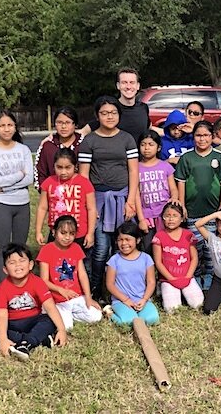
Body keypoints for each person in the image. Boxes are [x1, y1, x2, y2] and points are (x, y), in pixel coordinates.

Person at [78, 95, 139, 299]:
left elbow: (133, 172)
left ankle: (119, 290)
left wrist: (131, 201)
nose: (109, 116)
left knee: (122, 245)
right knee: (101, 248)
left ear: (119, 115)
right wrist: (90, 206)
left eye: (113, 113)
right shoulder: (89, 140)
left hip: (122, 198)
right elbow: (84, 175)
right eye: (104, 113)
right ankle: (95, 290)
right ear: (97, 116)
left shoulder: (127, 139)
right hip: (98, 199)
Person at [174, 120, 221, 290]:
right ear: (193, 137)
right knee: (195, 246)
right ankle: (195, 276)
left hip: (213, 213)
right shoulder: (186, 158)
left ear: (212, 136)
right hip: (193, 212)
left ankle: (209, 276)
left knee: (211, 247)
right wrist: (182, 206)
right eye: (198, 135)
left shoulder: (219, 157)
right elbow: (181, 183)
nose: (202, 139)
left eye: (206, 135)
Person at [0, 243, 67, 361]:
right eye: (12, 262)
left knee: (49, 321)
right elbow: (1, 315)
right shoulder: (2, 289)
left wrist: (62, 330)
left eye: (21, 260)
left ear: (30, 265)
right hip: (12, 323)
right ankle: (37, 339)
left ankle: (26, 343)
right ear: (5, 269)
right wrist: (3, 340)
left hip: (33, 320)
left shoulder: (38, 282)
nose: (17, 265)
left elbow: (50, 307)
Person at [0, 109, 34, 282]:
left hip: (22, 203)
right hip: (1, 204)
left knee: (20, 246)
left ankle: (22, 282)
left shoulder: (24, 149)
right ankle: (4, 284)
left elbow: (29, 178)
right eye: (2, 125)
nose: (6, 129)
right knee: (3, 247)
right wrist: (18, 175)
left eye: (10, 125)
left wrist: (5, 186)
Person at [36, 216, 102, 331]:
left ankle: (69, 315)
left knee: (96, 316)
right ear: (53, 232)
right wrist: (62, 290)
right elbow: (43, 281)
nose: (67, 237)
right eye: (63, 233)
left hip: (75, 296)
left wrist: (88, 298)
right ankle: (51, 312)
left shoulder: (76, 248)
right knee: (67, 327)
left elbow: (82, 275)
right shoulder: (46, 250)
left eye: (72, 234)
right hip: (56, 299)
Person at [35, 149, 96, 258]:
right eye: (59, 167)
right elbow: (42, 208)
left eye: (68, 167)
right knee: (54, 263)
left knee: (79, 265)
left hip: (79, 234)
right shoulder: (49, 182)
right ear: (54, 166)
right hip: (56, 233)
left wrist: (90, 234)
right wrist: (38, 231)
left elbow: (91, 209)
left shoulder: (84, 183)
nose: (63, 172)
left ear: (75, 166)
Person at [151, 202, 203, 313]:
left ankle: (183, 292)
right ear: (162, 218)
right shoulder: (159, 236)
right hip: (168, 278)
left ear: (182, 218)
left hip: (187, 276)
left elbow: (194, 258)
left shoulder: (188, 235)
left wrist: (188, 277)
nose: (171, 219)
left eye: (175, 216)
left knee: (198, 304)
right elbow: (158, 262)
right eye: (167, 216)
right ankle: (162, 288)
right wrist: (170, 278)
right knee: (172, 309)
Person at [106, 222, 159, 326]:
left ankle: (137, 312)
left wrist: (144, 299)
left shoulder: (146, 258)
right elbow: (110, 284)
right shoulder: (114, 260)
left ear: (138, 240)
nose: (124, 243)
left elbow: (151, 282)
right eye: (120, 240)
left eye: (128, 239)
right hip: (121, 301)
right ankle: (109, 313)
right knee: (128, 322)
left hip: (142, 299)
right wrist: (125, 300)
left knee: (152, 319)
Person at [80, 68, 152, 142]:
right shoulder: (109, 108)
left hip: (138, 153)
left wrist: (164, 131)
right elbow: (84, 131)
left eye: (132, 82)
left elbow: (150, 128)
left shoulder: (143, 108)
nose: (128, 86)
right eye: (124, 82)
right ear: (118, 85)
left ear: (138, 86)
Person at [136, 130, 178, 253]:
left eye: (151, 144)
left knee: (166, 249)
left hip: (165, 216)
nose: (146, 148)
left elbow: (173, 189)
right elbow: (136, 195)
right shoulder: (135, 168)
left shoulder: (166, 167)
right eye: (143, 144)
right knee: (148, 250)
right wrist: (141, 219)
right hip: (147, 217)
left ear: (159, 148)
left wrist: (175, 199)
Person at [34, 106, 84, 189]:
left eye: (68, 122)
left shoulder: (84, 143)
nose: (63, 126)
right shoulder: (47, 146)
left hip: (79, 195)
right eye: (59, 122)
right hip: (54, 195)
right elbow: (40, 175)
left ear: (75, 124)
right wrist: (48, 192)